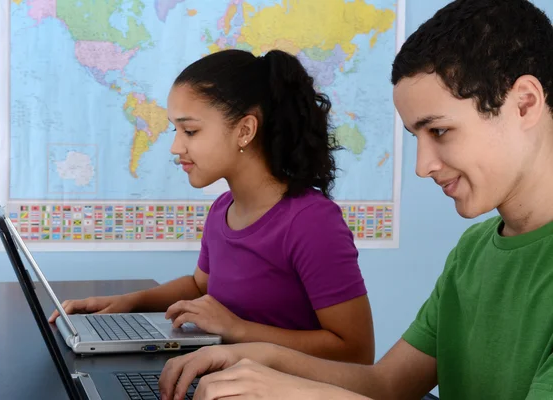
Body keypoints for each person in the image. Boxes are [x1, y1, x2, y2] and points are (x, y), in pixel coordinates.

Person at [157, 0, 553, 399]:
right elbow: (386, 384)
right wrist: (252, 358)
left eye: (440, 131)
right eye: (417, 137)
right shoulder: (473, 251)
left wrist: (298, 393)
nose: (423, 166)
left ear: (525, 104)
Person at [48, 48, 375, 363]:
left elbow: (357, 352)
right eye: (176, 130)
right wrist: (129, 302)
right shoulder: (223, 210)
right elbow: (200, 285)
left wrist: (239, 330)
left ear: (245, 130)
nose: (176, 146)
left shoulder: (312, 222)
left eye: (190, 130)